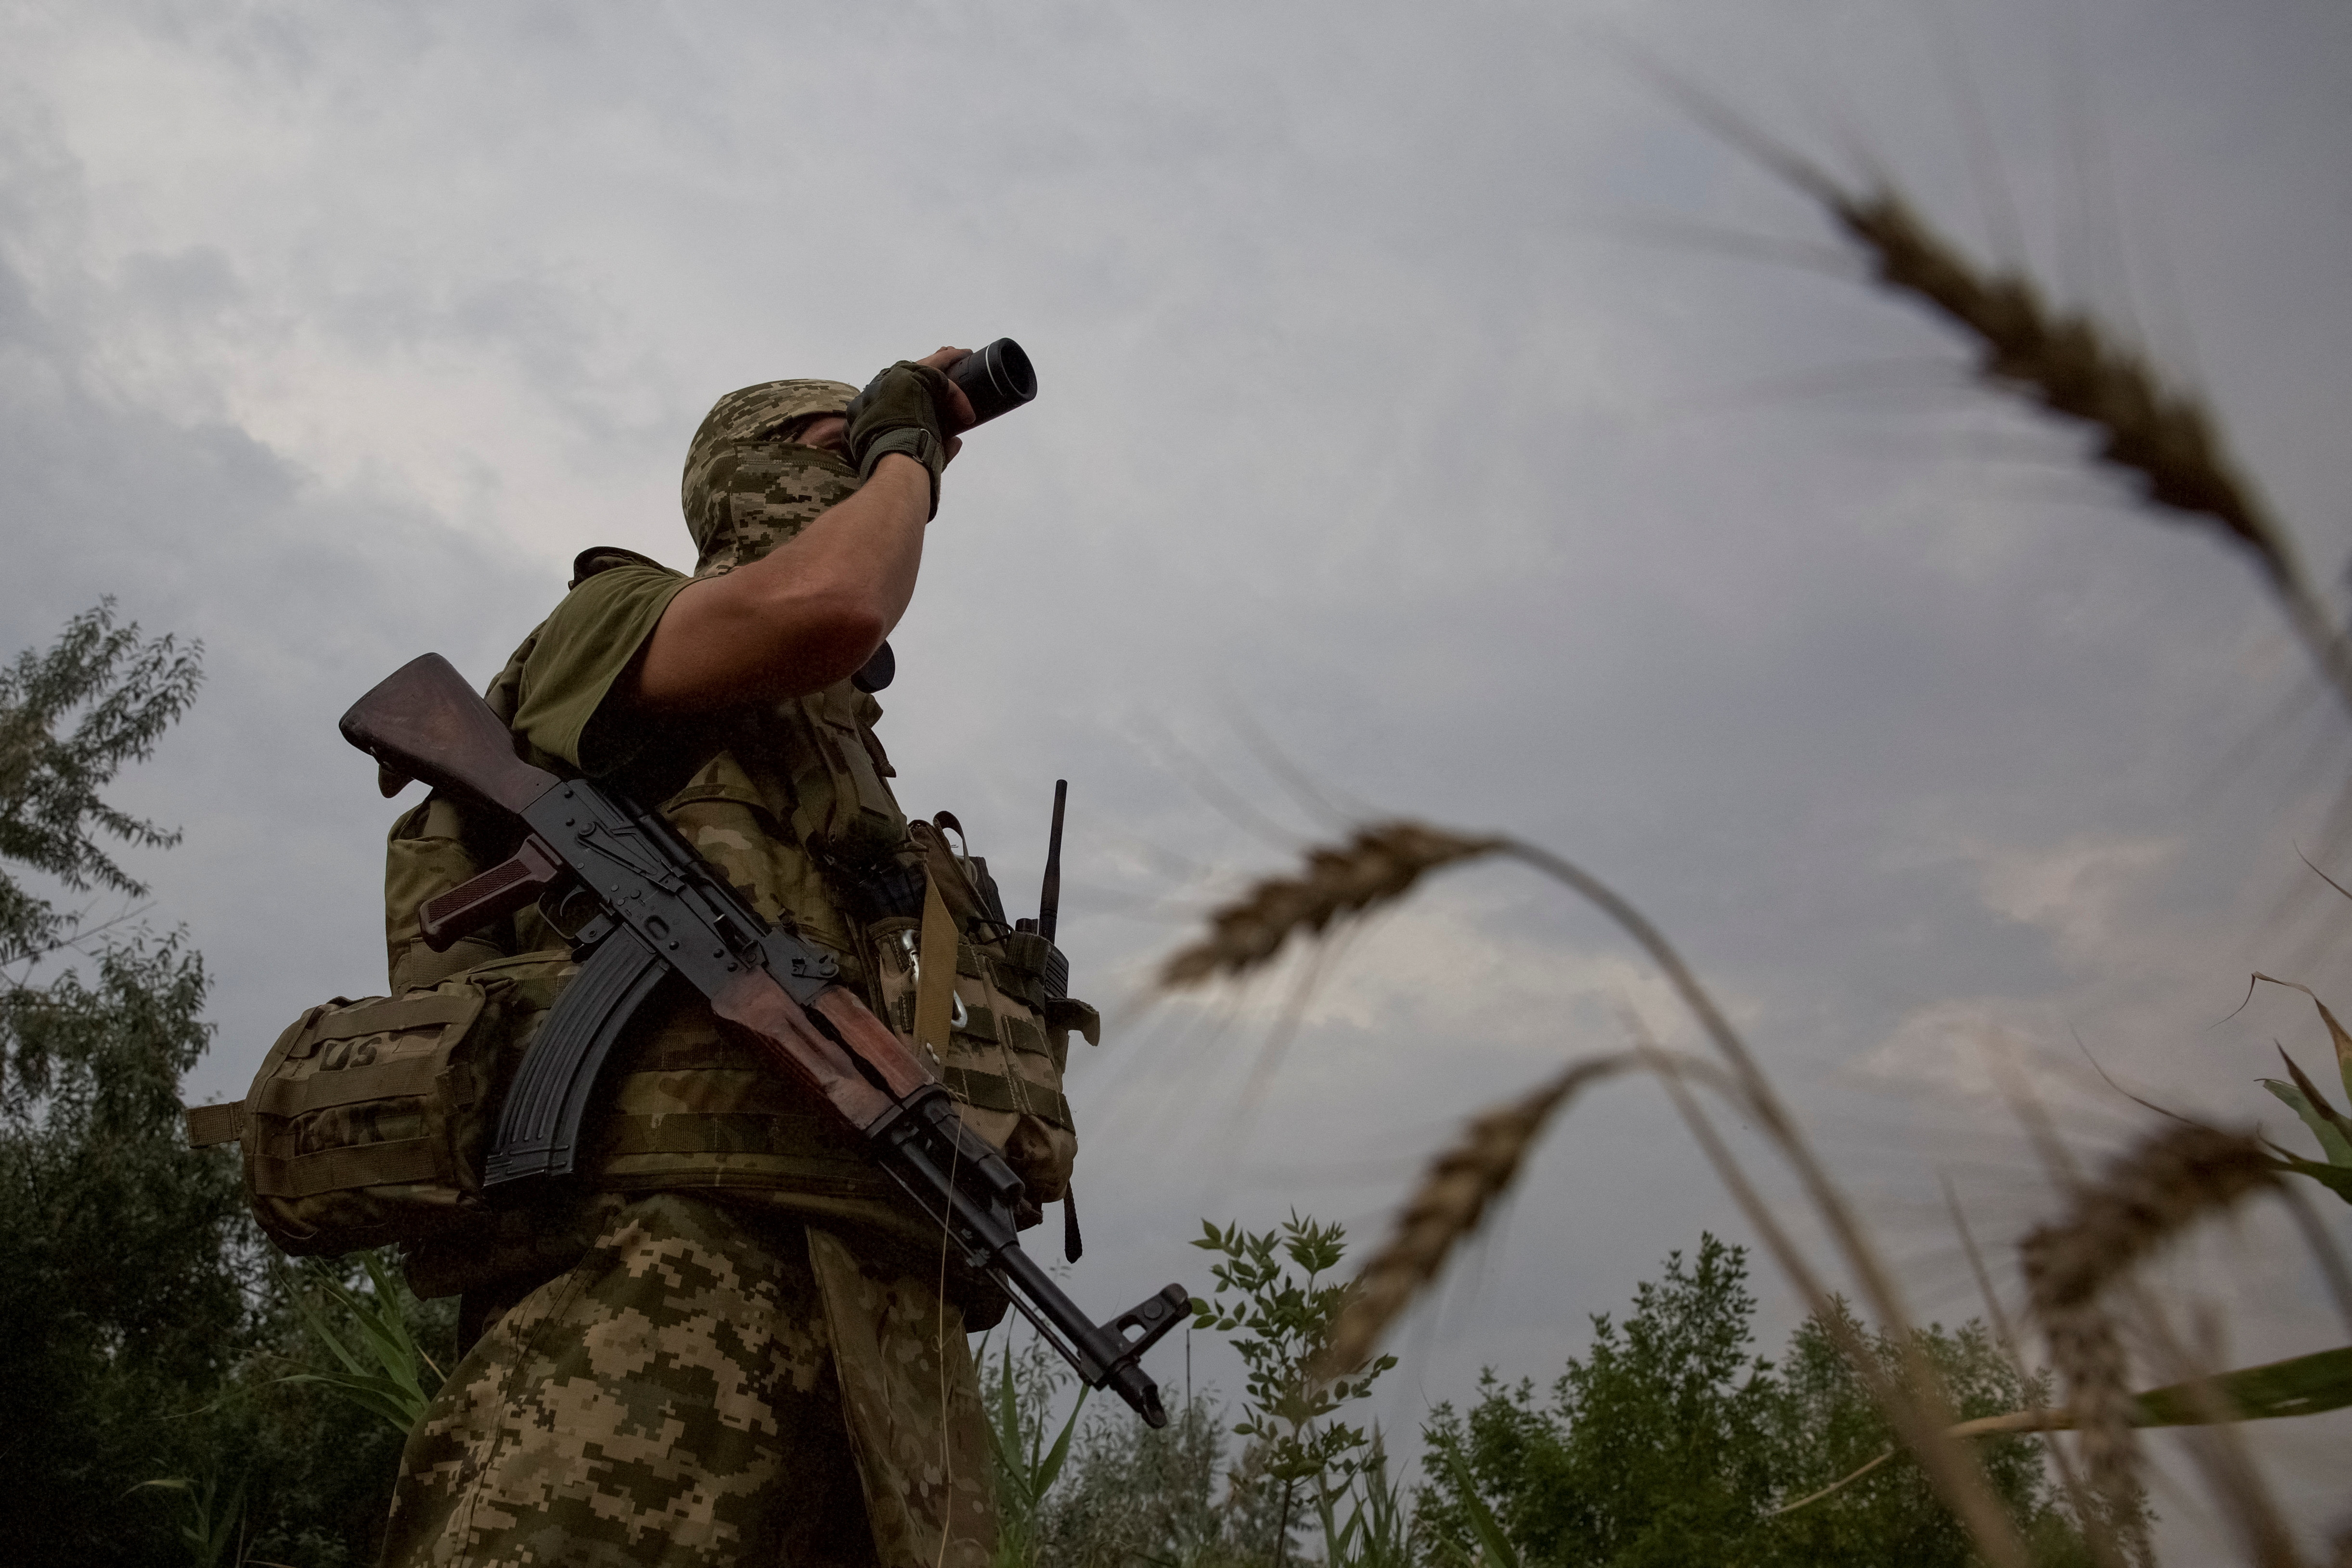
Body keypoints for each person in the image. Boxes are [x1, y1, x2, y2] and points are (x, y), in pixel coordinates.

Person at [375, 349, 1078, 1568]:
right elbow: (832, 605)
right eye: (834, 450)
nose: (874, 481)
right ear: (745, 475)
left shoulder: (848, 783)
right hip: (659, 1288)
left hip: (884, 1332)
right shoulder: (623, 615)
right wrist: (907, 450)